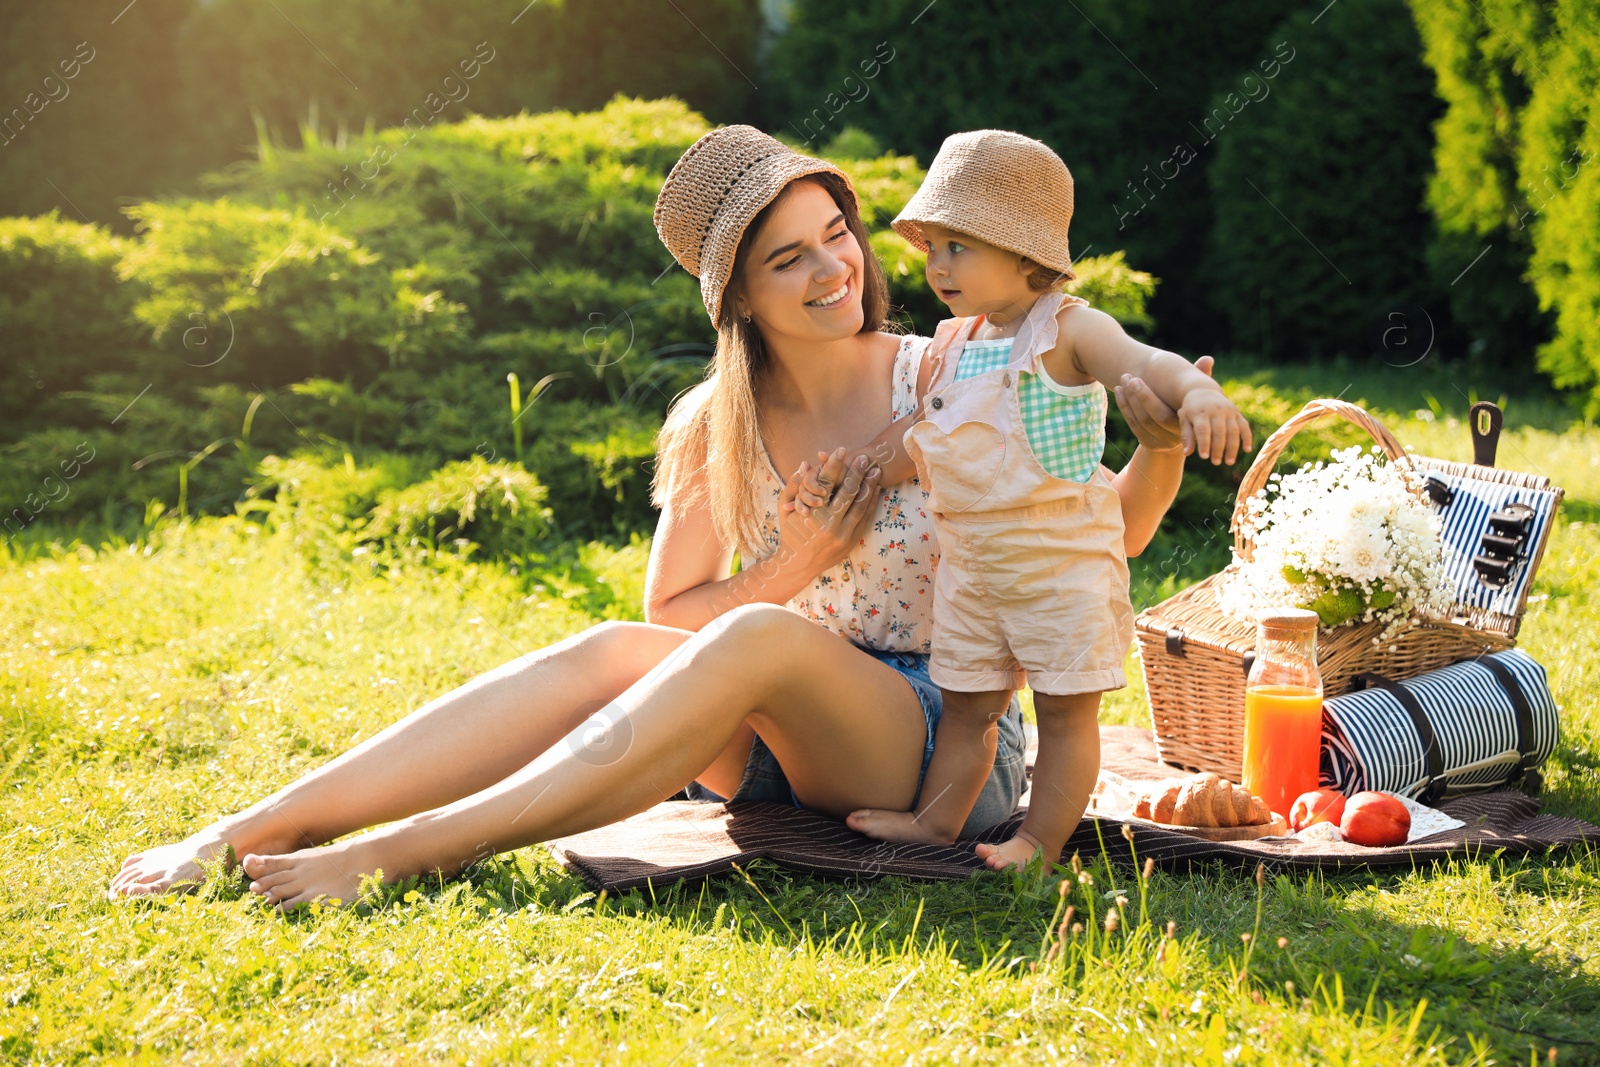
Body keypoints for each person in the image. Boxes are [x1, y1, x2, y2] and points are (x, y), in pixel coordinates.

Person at [107, 126, 1191, 910]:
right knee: (607, 647)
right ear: (740, 300)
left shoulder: (950, 373)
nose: (834, 268)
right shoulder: (717, 419)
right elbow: (671, 620)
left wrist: (1161, 443)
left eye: (835, 233)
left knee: (763, 636)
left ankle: (406, 850)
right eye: (788, 257)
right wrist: (804, 555)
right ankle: (248, 829)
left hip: (943, 743)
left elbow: (1104, 540)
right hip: (776, 738)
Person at [808, 130, 1252, 870]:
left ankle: (1039, 844)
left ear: (1024, 252)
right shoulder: (952, 343)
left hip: (1059, 569)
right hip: (974, 570)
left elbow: (1147, 363)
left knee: (1066, 714)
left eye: (959, 247)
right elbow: (920, 436)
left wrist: (1197, 391)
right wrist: (854, 469)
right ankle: (937, 821)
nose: (937, 265)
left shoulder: (1069, 331)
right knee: (969, 707)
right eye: (933, 247)